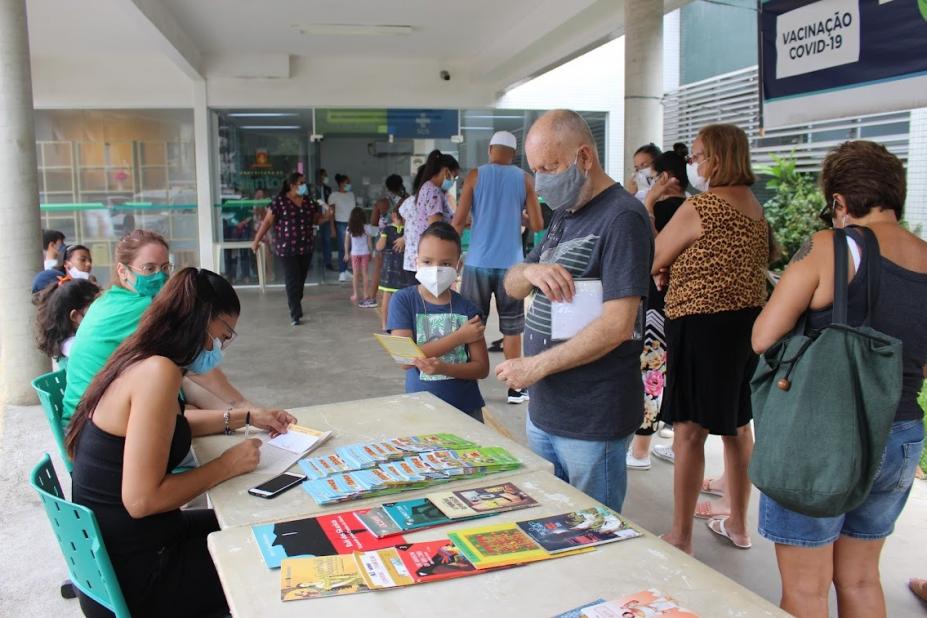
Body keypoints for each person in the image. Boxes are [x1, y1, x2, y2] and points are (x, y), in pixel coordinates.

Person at [751, 140, 927, 617]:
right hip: (901, 434)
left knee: (807, 591)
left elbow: (764, 337)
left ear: (840, 203)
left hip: (824, 437)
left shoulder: (831, 247)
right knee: (862, 578)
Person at [66, 268, 291, 618]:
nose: (219, 346)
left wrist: (246, 417)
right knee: (270, 558)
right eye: (223, 334)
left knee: (261, 526)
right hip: (141, 574)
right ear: (200, 322)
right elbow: (142, 500)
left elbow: (167, 427)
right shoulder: (158, 372)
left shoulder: (143, 358)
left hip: (126, 551)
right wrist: (226, 466)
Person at [495, 109, 653, 513]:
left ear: (584, 158)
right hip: (547, 410)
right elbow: (511, 284)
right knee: (555, 517)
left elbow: (619, 325)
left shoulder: (623, 218)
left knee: (592, 526)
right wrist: (531, 269)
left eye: (550, 167)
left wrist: (535, 368)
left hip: (591, 416)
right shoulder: (564, 214)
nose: (542, 180)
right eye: (536, 170)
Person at [653, 124, 768, 554]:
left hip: (699, 327)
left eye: (697, 155)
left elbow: (655, 255)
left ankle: (680, 536)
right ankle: (739, 524)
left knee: (688, 432)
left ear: (717, 158)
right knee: (739, 428)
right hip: (744, 328)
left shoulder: (701, 207)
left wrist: (666, 266)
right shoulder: (755, 207)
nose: (693, 163)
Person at [64, 229, 285, 433]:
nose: (160, 277)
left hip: (90, 417)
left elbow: (189, 378)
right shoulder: (144, 311)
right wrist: (244, 414)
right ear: (123, 271)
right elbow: (199, 374)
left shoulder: (112, 299)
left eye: (164, 268)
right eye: (149, 269)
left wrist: (247, 414)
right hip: (91, 426)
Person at [453, 131, 543, 405]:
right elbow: (538, 224)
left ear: (491, 149)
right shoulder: (525, 179)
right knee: (512, 328)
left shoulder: (475, 175)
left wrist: (450, 258)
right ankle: (515, 389)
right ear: (514, 154)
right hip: (511, 267)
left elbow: (458, 221)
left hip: (478, 262)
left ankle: (465, 382)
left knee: (471, 325)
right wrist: (518, 214)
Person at [387, 222, 489, 422]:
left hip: (466, 411)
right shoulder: (403, 301)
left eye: (445, 264)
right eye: (427, 261)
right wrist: (459, 337)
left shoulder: (468, 309)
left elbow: (481, 368)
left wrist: (445, 368)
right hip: (420, 410)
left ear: (458, 266)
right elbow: (405, 360)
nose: (435, 269)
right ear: (416, 262)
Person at [625, 150, 688, 471]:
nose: (640, 175)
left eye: (645, 170)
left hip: (656, 303)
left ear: (666, 177)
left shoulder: (662, 209)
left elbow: (648, 256)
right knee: (675, 371)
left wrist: (648, 203)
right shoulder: (696, 207)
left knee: (651, 373)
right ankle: (679, 444)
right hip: (686, 305)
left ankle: (640, 450)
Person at [252, 172, 324, 326]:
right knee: (292, 279)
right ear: (292, 185)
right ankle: (295, 314)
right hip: (287, 248)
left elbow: (316, 219)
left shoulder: (308, 202)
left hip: (306, 247)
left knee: (301, 280)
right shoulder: (279, 202)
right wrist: (256, 241)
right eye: (301, 182)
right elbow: (267, 222)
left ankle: (296, 303)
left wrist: (328, 216)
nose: (305, 186)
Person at [401, 151, 459, 278]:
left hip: (423, 254)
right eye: (454, 176)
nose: (453, 181)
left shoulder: (426, 188)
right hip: (432, 256)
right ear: (445, 171)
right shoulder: (434, 192)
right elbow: (436, 228)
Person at [33, 277, 101, 370]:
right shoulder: (81, 350)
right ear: (75, 316)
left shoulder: (65, 345)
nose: (102, 313)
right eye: (95, 309)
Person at [369, 175, 409, 300]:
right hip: (402, 239)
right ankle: (403, 297)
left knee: (378, 268)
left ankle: (372, 297)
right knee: (404, 269)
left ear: (387, 187)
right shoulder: (407, 200)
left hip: (384, 239)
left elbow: (373, 223)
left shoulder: (382, 203)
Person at [376, 206, 414, 331]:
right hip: (404, 268)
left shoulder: (387, 229)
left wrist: (381, 236)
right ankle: (403, 323)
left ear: (393, 215)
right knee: (404, 297)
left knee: (387, 296)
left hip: (390, 268)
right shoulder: (408, 231)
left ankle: (384, 324)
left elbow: (379, 247)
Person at [345, 206, 375, 308]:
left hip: (354, 254)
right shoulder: (367, 227)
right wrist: (372, 252)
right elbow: (369, 242)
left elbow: (346, 242)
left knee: (355, 274)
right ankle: (366, 294)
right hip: (365, 253)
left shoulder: (349, 227)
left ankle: (355, 294)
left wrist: (346, 253)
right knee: (365, 274)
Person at [329, 174, 357, 282]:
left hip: (352, 223)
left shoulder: (351, 194)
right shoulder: (334, 195)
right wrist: (332, 227)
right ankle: (341, 272)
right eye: (347, 182)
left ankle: (346, 270)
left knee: (351, 247)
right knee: (342, 247)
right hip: (340, 223)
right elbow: (331, 213)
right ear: (341, 183)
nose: (349, 184)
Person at [314, 169, 335, 271]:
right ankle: (312, 263)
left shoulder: (328, 189)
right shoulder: (312, 188)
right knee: (314, 241)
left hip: (326, 217)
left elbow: (330, 204)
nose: (326, 177)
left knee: (327, 240)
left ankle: (328, 262)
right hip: (316, 217)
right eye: (324, 175)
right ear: (319, 177)